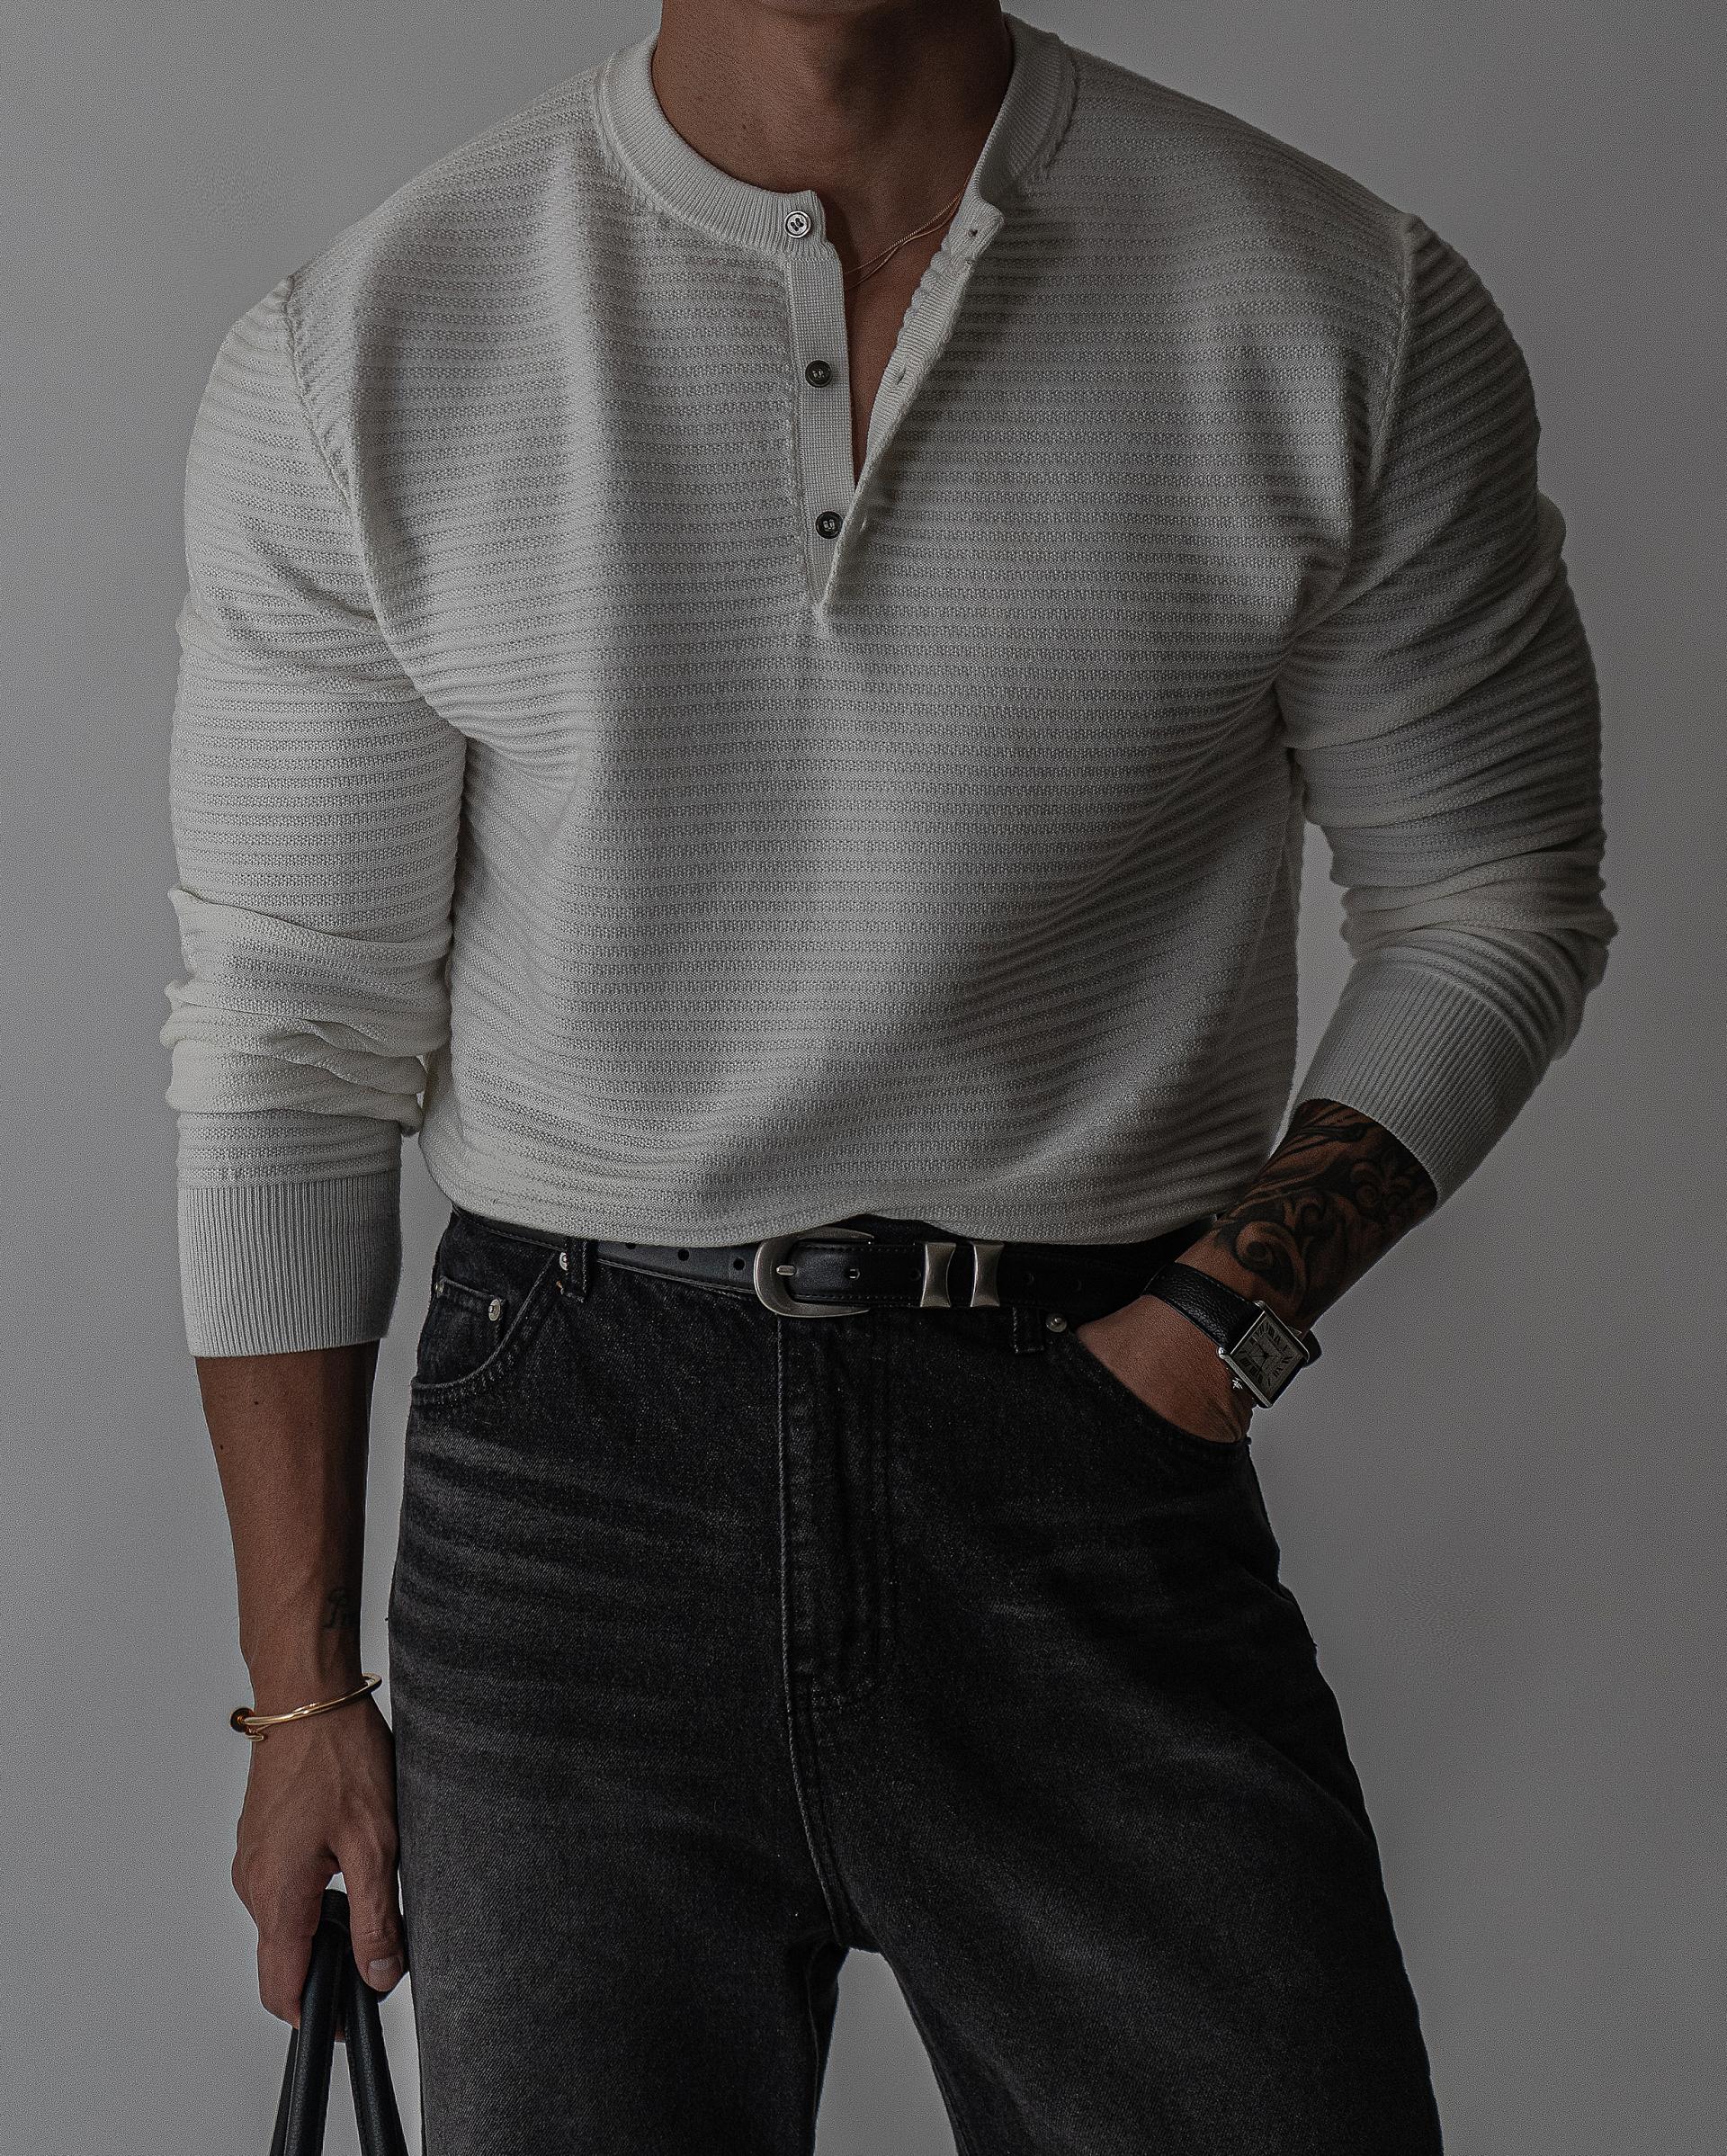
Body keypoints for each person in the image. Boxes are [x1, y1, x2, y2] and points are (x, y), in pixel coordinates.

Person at [162, 2, 1615, 2149]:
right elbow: (291, 1032)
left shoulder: (1331, 300)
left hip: (1082, 1449)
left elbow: (1492, 893)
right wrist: (300, 1692)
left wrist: (1215, 1328)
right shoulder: (368, 344)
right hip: (570, 1498)